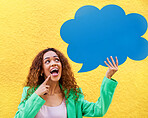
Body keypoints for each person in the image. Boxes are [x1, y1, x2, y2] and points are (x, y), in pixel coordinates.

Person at [14, 48, 118, 118]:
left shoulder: (72, 95)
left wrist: (108, 77)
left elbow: (98, 110)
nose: (53, 63)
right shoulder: (30, 92)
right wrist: (37, 95)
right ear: (41, 70)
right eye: (47, 61)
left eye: (56, 60)